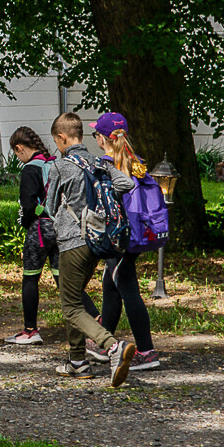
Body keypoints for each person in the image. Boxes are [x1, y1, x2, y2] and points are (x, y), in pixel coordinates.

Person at [45, 111, 135, 384]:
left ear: (62, 138)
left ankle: (112, 346)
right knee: (74, 297)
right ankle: (77, 362)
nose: (57, 146)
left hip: (72, 243)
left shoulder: (60, 166)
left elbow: (49, 206)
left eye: (56, 141)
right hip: (97, 240)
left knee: (71, 307)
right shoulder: (98, 162)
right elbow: (126, 183)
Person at [92, 112, 162, 371]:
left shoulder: (106, 164)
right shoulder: (136, 162)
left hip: (118, 235)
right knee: (111, 284)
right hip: (137, 232)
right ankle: (104, 342)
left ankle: (146, 351)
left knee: (128, 289)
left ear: (102, 139)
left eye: (96, 134)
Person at [9, 125, 58, 345]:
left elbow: (28, 206)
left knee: (30, 278)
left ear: (19, 148)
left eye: (16, 153)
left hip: (38, 229)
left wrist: (25, 224)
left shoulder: (30, 169)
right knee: (64, 281)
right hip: (59, 228)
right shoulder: (53, 163)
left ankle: (30, 330)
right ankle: (96, 319)